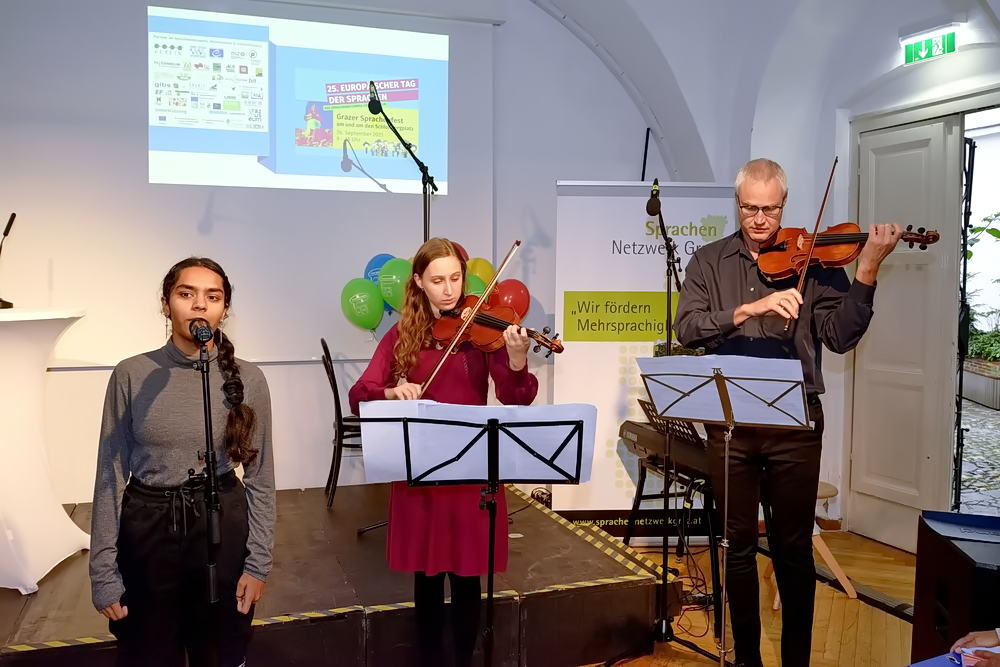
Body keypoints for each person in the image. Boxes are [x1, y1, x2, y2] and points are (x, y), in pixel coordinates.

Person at [674, 158, 902, 667]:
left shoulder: (816, 261)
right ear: (737, 204)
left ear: (785, 204)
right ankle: (747, 660)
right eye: (750, 208)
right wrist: (747, 310)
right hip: (730, 427)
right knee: (736, 546)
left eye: (771, 209)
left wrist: (866, 270)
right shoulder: (709, 261)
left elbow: (840, 337)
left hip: (795, 425)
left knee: (793, 549)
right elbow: (687, 327)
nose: (760, 219)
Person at [349, 238, 537, 667]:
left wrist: (516, 359)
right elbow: (359, 394)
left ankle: (464, 659)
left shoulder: (480, 333)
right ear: (418, 282)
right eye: (437, 281)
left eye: (455, 278)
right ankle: (430, 658)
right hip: (424, 473)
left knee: (469, 578)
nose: (449, 290)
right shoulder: (403, 334)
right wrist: (391, 391)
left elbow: (516, 397)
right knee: (428, 578)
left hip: (470, 469)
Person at [89, 257, 275, 667]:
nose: (199, 304)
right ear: (166, 304)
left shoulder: (249, 379)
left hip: (220, 524)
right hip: (149, 529)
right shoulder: (131, 374)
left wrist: (258, 565)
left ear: (224, 309)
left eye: (213, 296)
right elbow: (109, 475)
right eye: (186, 293)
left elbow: (260, 479)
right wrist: (102, 572)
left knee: (220, 649)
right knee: (149, 651)